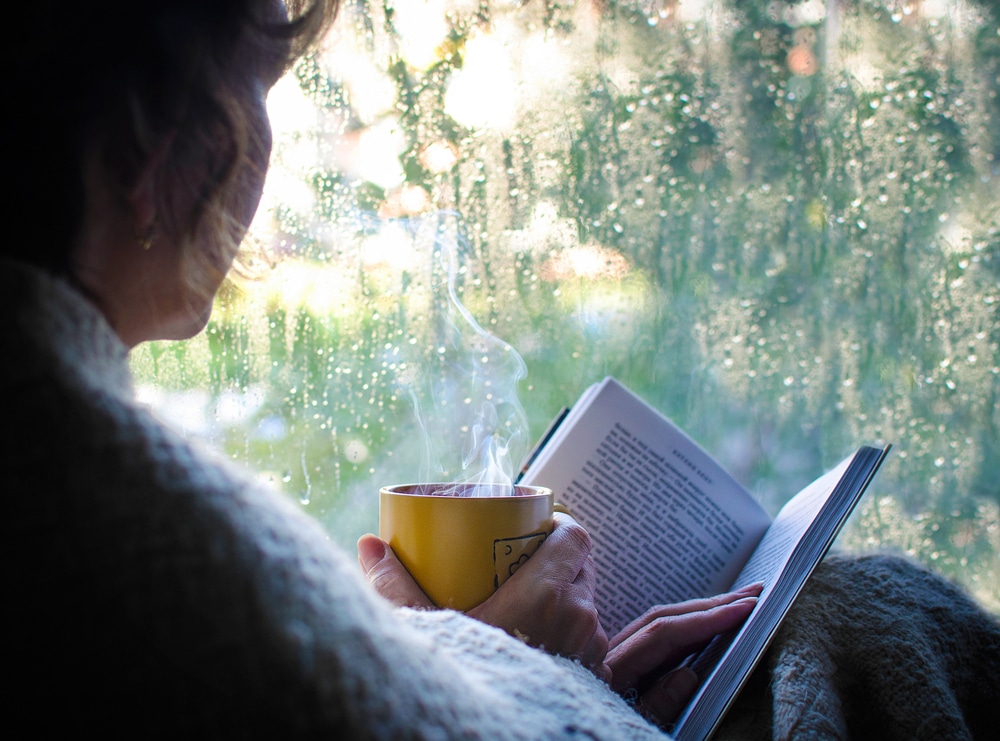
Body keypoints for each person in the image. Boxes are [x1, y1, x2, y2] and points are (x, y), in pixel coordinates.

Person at [2, 0, 758, 735]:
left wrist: (452, 666)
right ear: (154, 145)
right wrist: (543, 677)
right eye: (260, 87)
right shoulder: (162, 552)